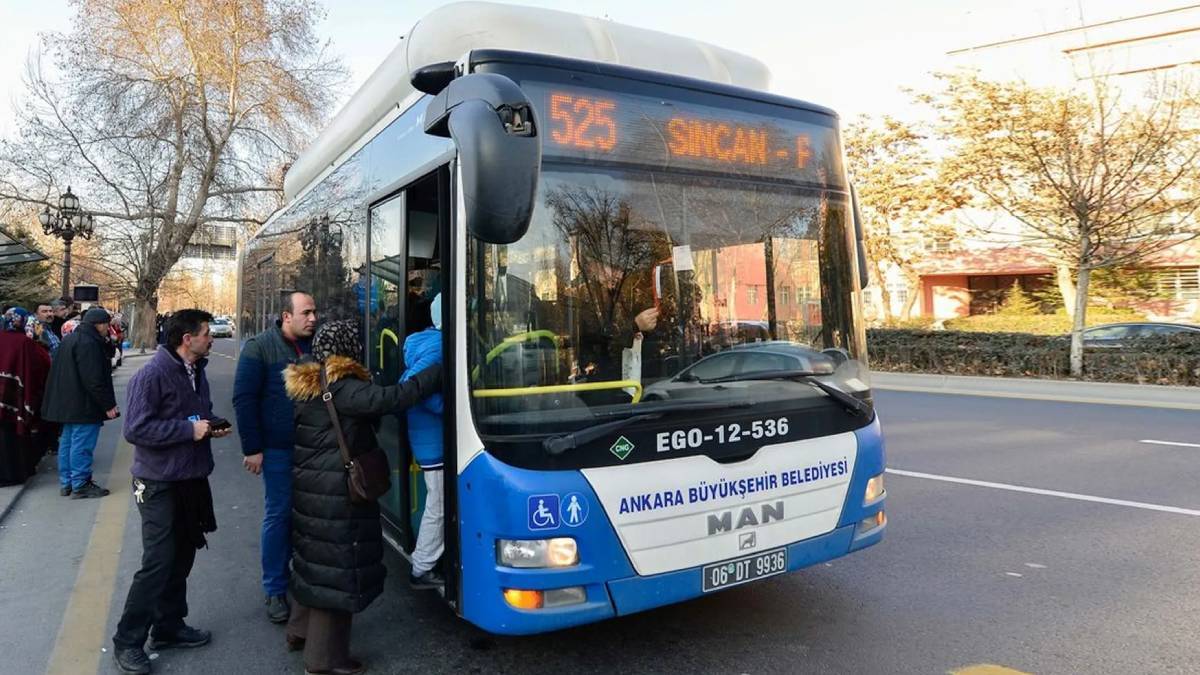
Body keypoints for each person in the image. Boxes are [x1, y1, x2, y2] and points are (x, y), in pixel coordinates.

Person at [282, 320, 441, 675]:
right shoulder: (344, 387)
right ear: (348, 350)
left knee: (314, 563)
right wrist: (438, 369)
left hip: (313, 488)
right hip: (338, 492)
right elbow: (394, 398)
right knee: (337, 570)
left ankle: (298, 631)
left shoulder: (310, 382)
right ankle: (324, 660)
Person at [111, 309, 229, 675]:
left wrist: (209, 427)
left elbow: (195, 414)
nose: (213, 338)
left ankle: (168, 625)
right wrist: (186, 432)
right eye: (207, 333)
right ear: (186, 339)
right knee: (158, 561)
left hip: (190, 479)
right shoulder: (151, 375)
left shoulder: (197, 370)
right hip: (158, 482)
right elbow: (136, 429)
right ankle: (128, 641)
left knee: (182, 554)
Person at [233, 290, 317, 623]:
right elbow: (244, 399)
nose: (313, 318)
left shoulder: (315, 346)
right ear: (286, 316)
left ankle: (303, 580)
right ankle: (275, 589)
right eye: (306, 313)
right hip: (278, 450)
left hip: (312, 449)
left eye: (314, 312)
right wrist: (252, 449)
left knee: (309, 517)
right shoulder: (259, 348)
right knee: (279, 515)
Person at [41, 306, 119, 498]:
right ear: (99, 325)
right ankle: (80, 483)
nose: (107, 329)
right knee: (82, 444)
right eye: (106, 325)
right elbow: (94, 379)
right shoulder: (89, 343)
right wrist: (108, 405)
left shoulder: (71, 339)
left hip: (68, 402)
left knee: (68, 442)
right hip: (84, 404)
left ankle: (67, 482)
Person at [401, 293, 446, 590]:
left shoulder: (424, 340)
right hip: (434, 439)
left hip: (428, 437)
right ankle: (423, 565)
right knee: (439, 504)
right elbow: (413, 385)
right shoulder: (440, 346)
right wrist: (450, 407)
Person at [0, 307, 52, 486]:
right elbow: (36, 369)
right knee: (13, 437)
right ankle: (13, 473)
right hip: (16, 397)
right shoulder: (25, 343)